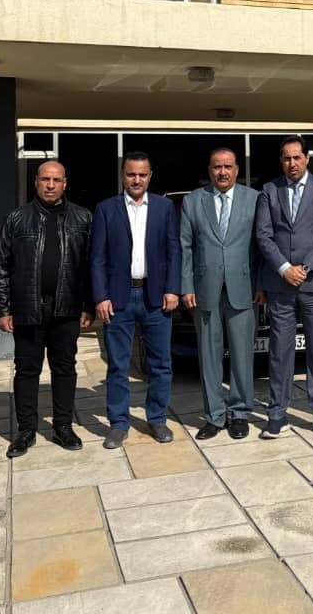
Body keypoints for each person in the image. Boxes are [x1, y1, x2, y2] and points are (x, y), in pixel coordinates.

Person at [0, 160, 93, 458]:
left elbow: (91, 266)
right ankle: (25, 430)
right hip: (28, 308)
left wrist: (88, 305)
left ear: (65, 183)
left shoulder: (83, 218)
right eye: (45, 179)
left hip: (67, 308)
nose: (50, 185)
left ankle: (63, 426)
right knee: (26, 370)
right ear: (35, 182)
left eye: (56, 180)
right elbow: (0, 266)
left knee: (65, 368)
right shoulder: (17, 218)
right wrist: (2, 309)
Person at [91, 152, 181, 449]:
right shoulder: (106, 209)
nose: (136, 179)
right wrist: (101, 295)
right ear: (123, 175)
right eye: (131, 174)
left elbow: (174, 250)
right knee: (118, 365)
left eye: (142, 174)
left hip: (156, 297)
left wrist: (173, 288)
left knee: (160, 363)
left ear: (150, 176)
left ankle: (157, 418)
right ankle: (119, 424)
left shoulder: (164, 208)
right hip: (119, 297)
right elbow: (97, 257)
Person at [256, 135, 313, 439]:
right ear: (281, 161)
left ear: (307, 158)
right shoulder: (269, 190)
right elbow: (263, 235)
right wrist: (284, 269)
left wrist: (305, 268)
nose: (292, 163)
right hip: (280, 285)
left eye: (297, 157)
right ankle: (277, 413)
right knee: (280, 351)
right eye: (286, 158)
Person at [180, 147, 261, 440]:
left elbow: (262, 244)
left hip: (244, 289)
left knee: (242, 355)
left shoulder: (255, 199)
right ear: (209, 171)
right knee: (209, 356)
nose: (222, 172)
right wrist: (186, 286)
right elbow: (185, 246)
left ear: (237, 170)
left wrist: (261, 284)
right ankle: (214, 416)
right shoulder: (193, 201)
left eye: (228, 166)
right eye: (217, 167)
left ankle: (239, 414)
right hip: (205, 290)